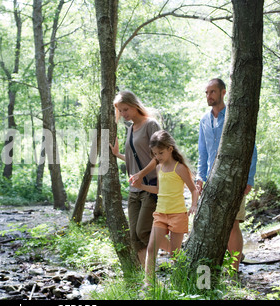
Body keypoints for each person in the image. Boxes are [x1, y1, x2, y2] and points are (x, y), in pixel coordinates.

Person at [196, 78, 257, 272]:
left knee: (233, 224)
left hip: (234, 178)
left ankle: (234, 270)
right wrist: (200, 176)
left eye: (212, 92)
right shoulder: (204, 120)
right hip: (211, 180)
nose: (209, 96)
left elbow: (251, 149)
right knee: (211, 224)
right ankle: (217, 267)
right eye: (206, 92)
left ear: (223, 92)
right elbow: (202, 151)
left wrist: (248, 179)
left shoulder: (234, 117)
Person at [132, 130, 198, 285]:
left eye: (160, 153)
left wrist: (194, 204)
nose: (158, 157)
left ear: (170, 149)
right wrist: (141, 185)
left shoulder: (179, 168)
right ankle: (149, 285)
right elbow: (159, 190)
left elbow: (193, 189)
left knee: (175, 254)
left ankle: (179, 283)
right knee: (151, 249)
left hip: (177, 214)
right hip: (160, 214)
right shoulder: (159, 168)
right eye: (155, 154)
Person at [109, 90, 161, 267]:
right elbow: (135, 157)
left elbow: (159, 156)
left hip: (150, 187)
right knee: (135, 237)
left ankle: (171, 250)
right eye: (121, 111)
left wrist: (141, 174)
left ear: (135, 105)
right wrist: (118, 154)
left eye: (126, 109)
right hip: (134, 189)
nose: (124, 114)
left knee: (142, 231)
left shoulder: (151, 125)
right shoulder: (130, 129)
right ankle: (147, 280)